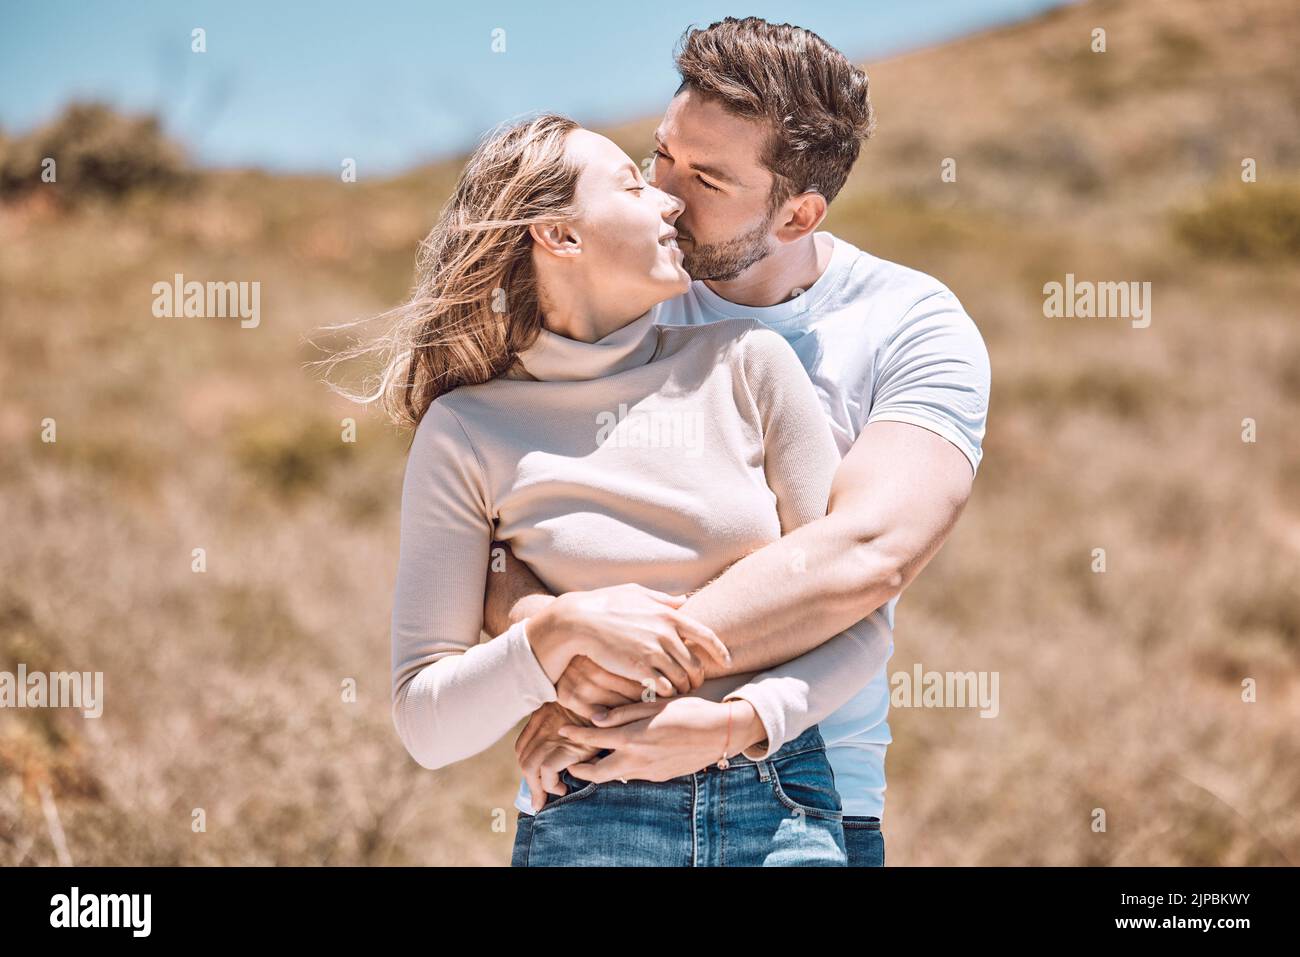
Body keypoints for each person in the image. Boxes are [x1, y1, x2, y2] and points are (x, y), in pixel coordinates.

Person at [485, 17, 992, 868]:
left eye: (707, 178)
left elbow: (865, 554)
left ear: (797, 213)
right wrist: (547, 624)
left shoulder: (911, 323)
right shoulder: (600, 295)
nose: (664, 196)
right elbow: (493, 536)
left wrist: (640, 675)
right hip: (588, 787)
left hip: (802, 790)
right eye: (661, 155)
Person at [339, 110, 896, 865]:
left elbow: (859, 620)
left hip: (778, 800)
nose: (669, 201)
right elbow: (426, 720)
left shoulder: (749, 362)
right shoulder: (466, 430)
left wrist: (732, 721)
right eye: (633, 184)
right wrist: (555, 632)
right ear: (559, 235)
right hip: (591, 814)